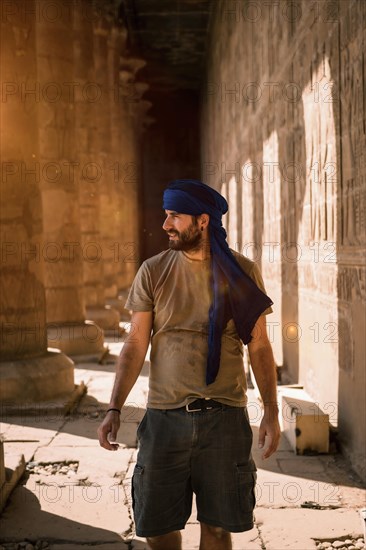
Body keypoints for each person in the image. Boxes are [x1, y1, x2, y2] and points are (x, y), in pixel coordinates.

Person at [98, 179, 281, 550]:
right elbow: (135, 344)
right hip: (165, 419)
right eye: (166, 215)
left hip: (225, 419)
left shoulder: (241, 273)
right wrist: (114, 407)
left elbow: (259, 347)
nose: (165, 225)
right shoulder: (153, 271)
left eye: (174, 216)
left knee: (217, 528)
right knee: (158, 527)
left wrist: (272, 411)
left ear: (202, 221)